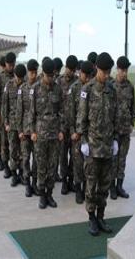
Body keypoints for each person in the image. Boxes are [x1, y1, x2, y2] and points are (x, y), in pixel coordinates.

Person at [76, 52, 119, 236]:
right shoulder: (87, 89)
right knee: (91, 186)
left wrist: (116, 139)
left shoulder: (112, 90)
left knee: (104, 186)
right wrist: (84, 141)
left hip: (108, 148)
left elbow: (115, 118)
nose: (107, 75)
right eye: (104, 71)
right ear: (97, 70)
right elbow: (81, 119)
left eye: (109, 72)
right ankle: (91, 218)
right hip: (92, 148)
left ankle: (101, 216)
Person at [28, 58, 65, 209]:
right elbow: (31, 112)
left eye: (53, 76)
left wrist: (62, 130)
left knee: (52, 165)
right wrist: (32, 131)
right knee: (41, 166)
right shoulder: (35, 89)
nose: (51, 78)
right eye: (48, 76)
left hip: (54, 134)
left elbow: (62, 111)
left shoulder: (58, 88)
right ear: (43, 73)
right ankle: (42, 195)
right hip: (41, 134)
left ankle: (50, 194)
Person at [110, 56, 135, 200]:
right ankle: (112, 187)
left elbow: (133, 107)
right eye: (122, 70)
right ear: (117, 70)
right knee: (113, 159)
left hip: (125, 130)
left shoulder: (130, 87)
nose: (124, 73)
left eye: (126, 70)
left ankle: (120, 186)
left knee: (122, 159)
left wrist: (132, 122)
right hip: (113, 132)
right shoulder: (111, 86)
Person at [68, 60, 94, 204]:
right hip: (77, 133)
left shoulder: (92, 88)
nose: (87, 78)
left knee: (89, 164)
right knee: (77, 163)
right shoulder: (74, 88)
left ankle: (86, 189)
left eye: (89, 75)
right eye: (85, 74)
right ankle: (78, 189)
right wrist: (73, 131)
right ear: (80, 73)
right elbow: (70, 113)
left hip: (90, 134)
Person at [56, 55, 79, 195]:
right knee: (63, 155)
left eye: (73, 69)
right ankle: (64, 181)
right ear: (65, 67)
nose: (70, 71)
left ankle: (71, 180)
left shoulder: (77, 84)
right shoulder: (58, 82)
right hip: (62, 126)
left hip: (74, 126)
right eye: (69, 69)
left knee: (74, 155)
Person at [17, 59, 39, 197]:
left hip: (36, 130)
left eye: (35, 72)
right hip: (25, 130)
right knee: (25, 158)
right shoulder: (22, 89)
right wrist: (19, 130)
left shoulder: (39, 87)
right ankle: (27, 183)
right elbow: (19, 111)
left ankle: (35, 183)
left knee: (36, 158)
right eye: (31, 72)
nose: (33, 75)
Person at [3, 63, 27, 187]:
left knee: (23, 150)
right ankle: (14, 174)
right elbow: (5, 105)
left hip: (23, 125)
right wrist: (6, 122)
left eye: (21, 78)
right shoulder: (9, 85)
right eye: (18, 77)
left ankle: (22, 173)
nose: (19, 80)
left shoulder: (26, 86)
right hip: (12, 124)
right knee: (13, 149)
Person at [0, 52, 16, 179]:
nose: (11, 67)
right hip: (2, 115)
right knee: (3, 141)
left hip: (14, 115)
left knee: (13, 143)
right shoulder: (0, 78)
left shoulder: (17, 76)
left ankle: (14, 167)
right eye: (9, 64)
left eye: (13, 64)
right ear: (5, 64)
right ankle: (4, 164)